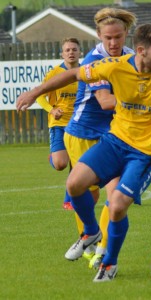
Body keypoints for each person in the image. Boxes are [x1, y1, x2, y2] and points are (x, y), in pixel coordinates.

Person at [16, 23, 151, 283]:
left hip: (146, 152)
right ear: (141, 50)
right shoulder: (116, 65)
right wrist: (35, 92)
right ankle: (90, 232)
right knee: (74, 183)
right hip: (115, 142)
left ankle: (109, 263)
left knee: (117, 206)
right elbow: (75, 74)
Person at [63, 8, 137, 267]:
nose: (114, 43)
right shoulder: (93, 61)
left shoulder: (132, 57)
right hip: (81, 134)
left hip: (113, 135)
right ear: (99, 36)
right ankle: (88, 237)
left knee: (114, 195)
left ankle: (103, 248)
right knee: (86, 194)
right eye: (108, 38)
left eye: (118, 37)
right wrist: (142, 101)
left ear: (126, 34)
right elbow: (106, 102)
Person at [36, 38, 81, 209]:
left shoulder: (85, 73)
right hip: (58, 124)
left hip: (78, 125)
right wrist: (51, 110)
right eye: (67, 50)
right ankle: (53, 159)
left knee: (76, 163)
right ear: (62, 53)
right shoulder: (54, 73)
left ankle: (69, 200)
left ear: (79, 52)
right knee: (61, 164)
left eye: (74, 49)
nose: (71, 52)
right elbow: (40, 96)